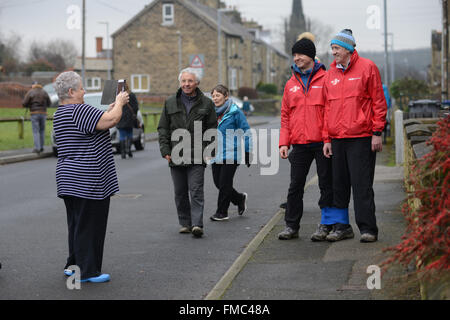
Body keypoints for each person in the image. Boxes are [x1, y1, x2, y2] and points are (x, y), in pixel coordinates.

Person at [53, 71, 129, 282]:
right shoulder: (80, 110)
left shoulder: (62, 112)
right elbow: (111, 120)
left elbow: (101, 120)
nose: (84, 91)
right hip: (89, 179)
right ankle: (88, 271)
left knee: (77, 224)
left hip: (69, 178)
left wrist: (113, 107)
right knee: (91, 225)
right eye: (81, 88)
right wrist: (121, 102)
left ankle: (74, 264)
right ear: (71, 91)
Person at [278, 38, 346, 241]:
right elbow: (285, 115)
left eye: (300, 54)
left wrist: (327, 139)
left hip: (322, 143)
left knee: (327, 185)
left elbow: (330, 112)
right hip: (299, 143)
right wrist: (284, 142)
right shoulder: (290, 84)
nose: (296, 58)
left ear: (310, 56)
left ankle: (327, 225)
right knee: (295, 186)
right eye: (295, 54)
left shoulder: (326, 79)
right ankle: (291, 226)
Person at [322, 29, 387, 243]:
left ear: (349, 49)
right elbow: (326, 109)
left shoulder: (368, 67)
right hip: (337, 139)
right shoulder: (330, 74)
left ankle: (368, 229)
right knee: (338, 185)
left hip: (361, 137)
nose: (333, 52)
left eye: (337, 48)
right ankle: (342, 228)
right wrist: (326, 139)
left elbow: (378, 102)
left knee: (361, 185)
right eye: (332, 48)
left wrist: (377, 132)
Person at [157, 68, 217, 238]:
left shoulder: (206, 103)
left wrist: (210, 149)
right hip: (176, 153)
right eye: (184, 81)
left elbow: (212, 127)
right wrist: (165, 150)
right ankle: (185, 223)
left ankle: (197, 224)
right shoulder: (170, 102)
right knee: (180, 192)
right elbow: (163, 128)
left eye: (190, 81)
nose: (186, 84)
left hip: (198, 153)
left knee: (196, 190)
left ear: (196, 83)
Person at [209, 85, 251, 222]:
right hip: (216, 154)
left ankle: (222, 212)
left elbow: (246, 131)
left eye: (218, 95)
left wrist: (247, 151)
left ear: (226, 96)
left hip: (232, 153)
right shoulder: (211, 113)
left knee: (225, 183)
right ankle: (239, 198)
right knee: (218, 183)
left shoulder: (235, 112)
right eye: (213, 96)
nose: (215, 98)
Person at [22, 82, 51, 154]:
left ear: (33, 86)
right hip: (43, 113)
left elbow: (24, 103)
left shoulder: (31, 92)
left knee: (36, 131)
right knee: (42, 130)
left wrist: (29, 105)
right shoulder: (44, 92)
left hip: (34, 113)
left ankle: (37, 148)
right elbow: (49, 103)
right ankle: (41, 147)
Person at [116, 83, 140, 159]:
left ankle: (123, 153)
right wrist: (134, 115)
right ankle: (128, 150)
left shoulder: (117, 96)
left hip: (120, 117)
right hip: (129, 118)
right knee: (129, 134)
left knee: (122, 135)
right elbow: (136, 107)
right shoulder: (131, 95)